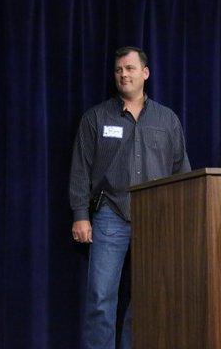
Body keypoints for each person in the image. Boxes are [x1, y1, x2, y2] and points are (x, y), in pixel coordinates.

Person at [69, 46, 191, 349]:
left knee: (147, 298)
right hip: (110, 213)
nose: (123, 74)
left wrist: (183, 217)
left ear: (145, 73)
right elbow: (81, 169)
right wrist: (80, 215)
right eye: (118, 70)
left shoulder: (168, 119)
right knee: (100, 297)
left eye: (130, 68)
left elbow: (181, 170)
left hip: (157, 218)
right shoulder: (96, 117)